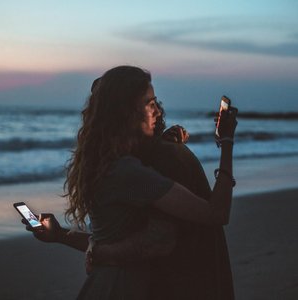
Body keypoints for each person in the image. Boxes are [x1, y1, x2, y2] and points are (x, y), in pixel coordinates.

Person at [25, 65, 237, 299]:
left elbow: (107, 243)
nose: (158, 110)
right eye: (150, 104)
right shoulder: (129, 172)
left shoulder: (104, 163)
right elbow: (216, 213)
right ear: (126, 113)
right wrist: (226, 142)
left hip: (104, 284)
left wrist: (59, 235)